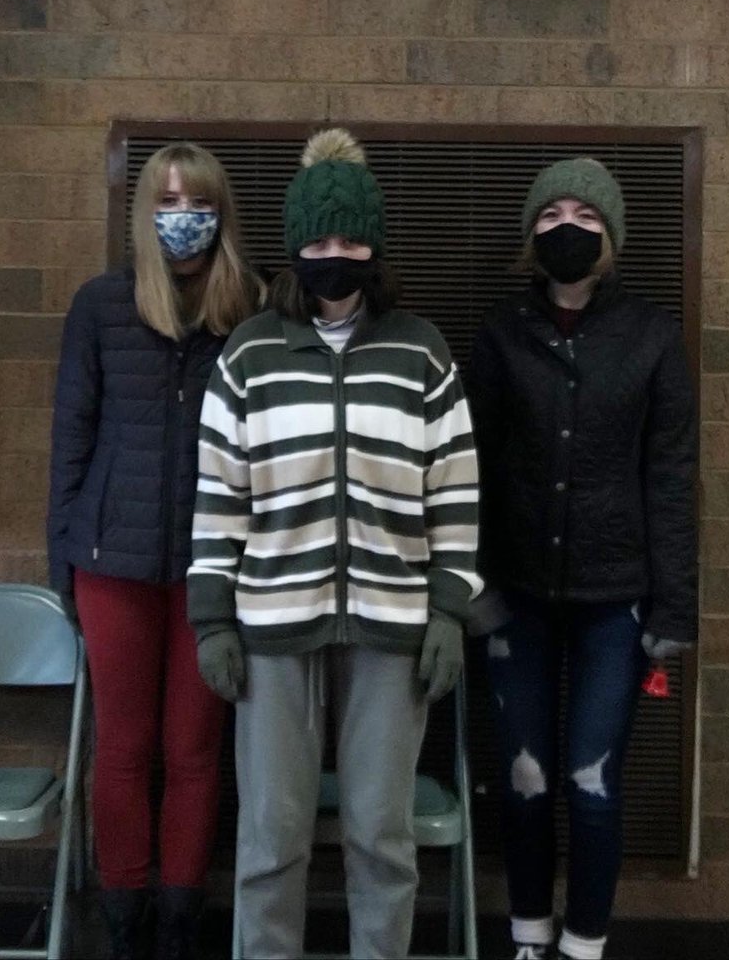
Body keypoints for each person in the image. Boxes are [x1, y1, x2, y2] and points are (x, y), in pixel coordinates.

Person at [188, 128, 481, 960]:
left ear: (373, 245)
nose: (334, 255)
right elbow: (217, 496)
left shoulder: (421, 353)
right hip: (273, 630)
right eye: (318, 239)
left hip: (394, 631)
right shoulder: (249, 356)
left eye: (351, 238)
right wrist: (212, 619)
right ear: (295, 247)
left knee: (382, 843)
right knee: (270, 841)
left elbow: (455, 491)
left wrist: (449, 611)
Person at [466, 157, 698, 960]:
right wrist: (471, 585)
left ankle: (584, 945)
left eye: (587, 215)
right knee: (525, 785)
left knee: (593, 790)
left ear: (612, 236)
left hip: (616, 603)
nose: (569, 225)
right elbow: (469, 470)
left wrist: (674, 610)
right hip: (514, 599)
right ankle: (529, 936)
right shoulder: (500, 335)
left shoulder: (653, 335)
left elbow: (670, 477)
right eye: (552, 213)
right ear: (531, 233)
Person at [48, 143, 258, 960]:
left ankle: (180, 921)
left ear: (221, 213)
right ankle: (125, 920)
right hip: (111, 563)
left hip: (214, 570)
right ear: (145, 211)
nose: (183, 216)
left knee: (196, 753)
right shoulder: (101, 306)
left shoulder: (251, 313)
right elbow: (71, 437)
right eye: (166, 199)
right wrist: (60, 559)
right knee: (125, 748)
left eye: (198, 200)